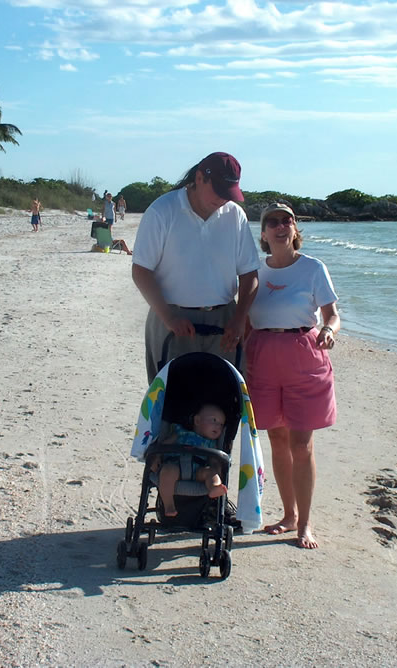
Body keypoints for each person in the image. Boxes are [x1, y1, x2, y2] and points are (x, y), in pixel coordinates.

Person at [245, 202, 339, 549]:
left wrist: (329, 331)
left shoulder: (313, 268)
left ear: (295, 229)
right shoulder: (255, 271)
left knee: (302, 444)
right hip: (263, 357)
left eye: (288, 220)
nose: (281, 226)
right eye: (273, 222)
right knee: (278, 440)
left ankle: (305, 524)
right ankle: (288, 515)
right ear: (264, 234)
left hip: (305, 354)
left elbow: (331, 314)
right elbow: (243, 319)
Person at [132, 152, 260, 383]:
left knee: (222, 402)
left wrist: (240, 318)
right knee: (172, 401)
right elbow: (141, 271)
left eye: (228, 194)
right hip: (171, 318)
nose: (222, 200)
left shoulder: (235, 215)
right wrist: (169, 317)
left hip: (225, 322)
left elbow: (250, 274)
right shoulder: (162, 211)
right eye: (218, 191)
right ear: (200, 178)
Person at [151, 403, 228, 517]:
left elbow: (214, 461)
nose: (218, 426)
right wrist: (156, 457)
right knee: (168, 471)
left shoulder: (212, 444)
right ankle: (168, 505)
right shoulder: (180, 433)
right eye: (214, 421)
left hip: (198, 471)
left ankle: (214, 487)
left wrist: (217, 469)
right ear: (197, 420)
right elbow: (163, 445)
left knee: (210, 473)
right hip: (175, 465)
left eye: (221, 424)